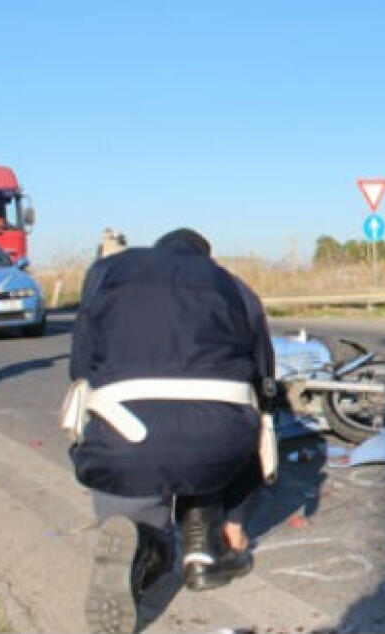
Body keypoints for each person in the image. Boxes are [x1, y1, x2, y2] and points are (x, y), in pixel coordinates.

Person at [64, 228, 275, 633]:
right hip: (218, 440)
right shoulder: (232, 285)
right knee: (231, 435)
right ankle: (211, 544)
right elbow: (264, 379)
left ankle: (145, 547)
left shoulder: (108, 272)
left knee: (133, 496)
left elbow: (81, 368)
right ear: (205, 258)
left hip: (126, 435)